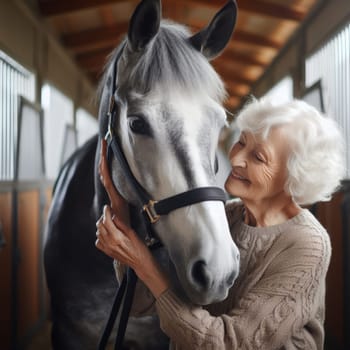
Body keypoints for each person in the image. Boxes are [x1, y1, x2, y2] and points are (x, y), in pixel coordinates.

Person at [95, 98, 345, 349]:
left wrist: (143, 263)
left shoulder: (307, 243)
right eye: (241, 142)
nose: (235, 159)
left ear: (294, 177)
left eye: (258, 157)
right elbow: (141, 302)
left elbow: (230, 344)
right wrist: (121, 214)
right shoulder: (224, 216)